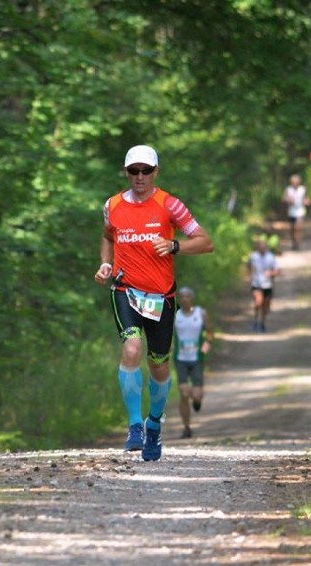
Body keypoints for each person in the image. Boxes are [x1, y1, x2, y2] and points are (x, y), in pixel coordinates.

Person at [94, 144, 213, 462]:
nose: (140, 177)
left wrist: (175, 245)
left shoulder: (170, 205)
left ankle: (154, 424)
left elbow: (205, 242)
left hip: (162, 297)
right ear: (126, 172)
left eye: (146, 171)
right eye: (134, 171)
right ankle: (134, 425)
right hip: (125, 290)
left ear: (156, 172)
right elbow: (108, 236)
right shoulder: (113, 205)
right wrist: (105, 264)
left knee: (159, 364)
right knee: (131, 348)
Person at [173, 287, 214, 439]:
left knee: (196, 396)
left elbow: (210, 332)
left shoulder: (200, 313)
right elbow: (168, 334)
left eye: (187, 297)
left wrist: (206, 346)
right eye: (182, 297)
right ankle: (186, 427)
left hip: (196, 358)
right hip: (180, 358)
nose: (184, 299)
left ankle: (197, 400)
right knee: (184, 393)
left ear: (192, 298)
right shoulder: (175, 315)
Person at [247, 236, 280, 332]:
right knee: (258, 302)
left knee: (265, 307)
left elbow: (277, 270)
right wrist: (250, 275)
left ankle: (262, 322)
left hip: (267, 285)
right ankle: (256, 320)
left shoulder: (270, 257)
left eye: (264, 247)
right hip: (256, 284)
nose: (262, 249)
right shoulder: (253, 257)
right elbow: (248, 266)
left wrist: (271, 273)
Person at [282, 174, 310, 250]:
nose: (295, 183)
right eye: (293, 182)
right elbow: (283, 199)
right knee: (292, 228)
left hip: (300, 210)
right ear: (291, 182)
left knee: (298, 227)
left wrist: (306, 201)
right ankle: (293, 241)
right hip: (291, 211)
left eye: (296, 182)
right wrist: (288, 200)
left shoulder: (302, 189)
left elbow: (306, 198)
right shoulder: (288, 189)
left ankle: (298, 242)